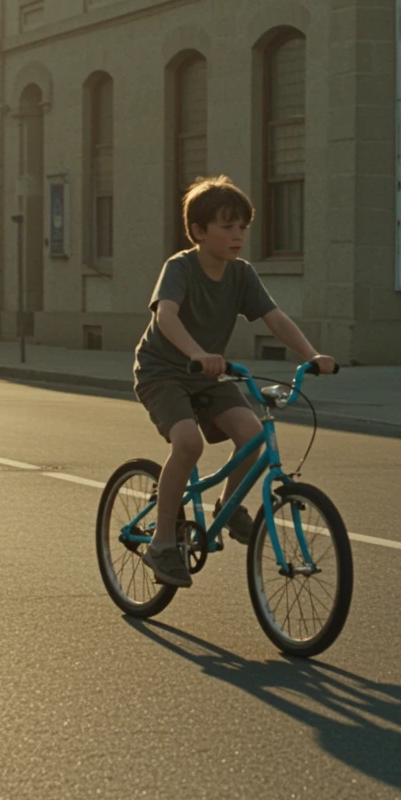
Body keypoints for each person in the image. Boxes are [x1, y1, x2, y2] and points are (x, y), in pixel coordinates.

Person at [133, 175, 336, 588]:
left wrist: (311, 356)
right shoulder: (180, 267)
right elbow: (165, 316)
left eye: (242, 226)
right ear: (198, 231)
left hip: (209, 373)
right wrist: (196, 353)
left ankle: (230, 504)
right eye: (226, 226)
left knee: (253, 434)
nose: (237, 234)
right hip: (164, 372)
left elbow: (274, 318)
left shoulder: (241, 275)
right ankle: (161, 542)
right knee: (188, 443)